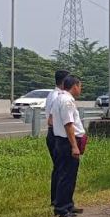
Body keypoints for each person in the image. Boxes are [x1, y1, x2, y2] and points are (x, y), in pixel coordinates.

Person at [51, 75, 86, 217]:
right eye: (80, 86)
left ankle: (68, 203)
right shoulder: (67, 101)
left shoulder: (59, 98)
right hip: (67, 141)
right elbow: (68, 124)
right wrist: (74, 146)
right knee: (66, 175)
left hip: (61, 140)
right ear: (75, 86)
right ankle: (62, 208)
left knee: (68, 174)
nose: (81, 89)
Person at [45, 69, 69, 208]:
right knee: (62, 169)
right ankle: (59, 201)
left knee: (59, 168)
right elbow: (51, 120)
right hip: (56, 134)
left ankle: (57, 199)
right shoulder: (58, 96)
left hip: (53, 133)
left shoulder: (52, 94)